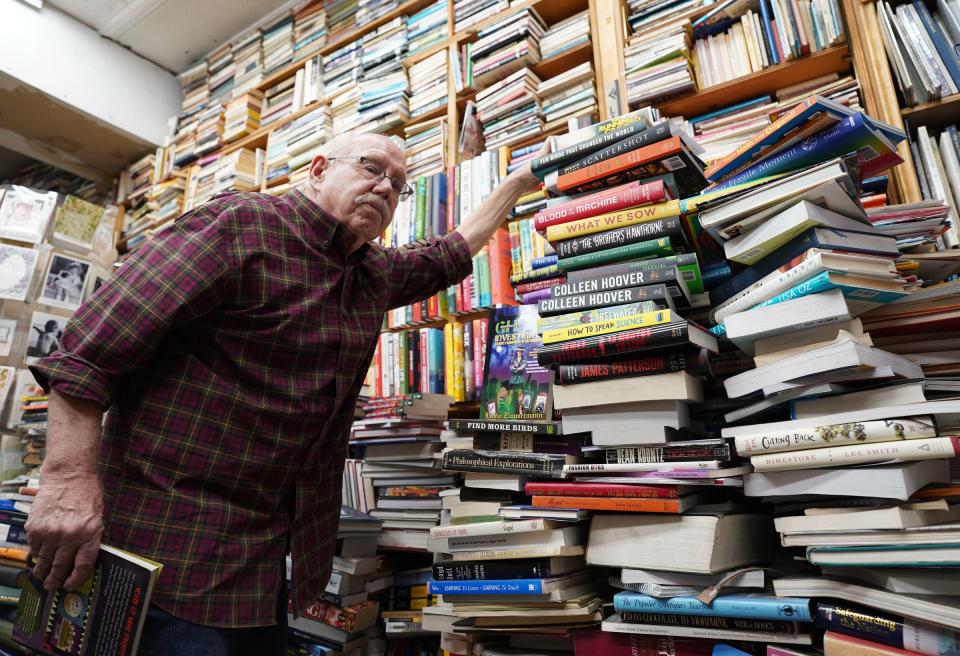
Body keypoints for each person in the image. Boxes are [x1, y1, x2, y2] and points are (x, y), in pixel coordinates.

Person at [25, 132, 546, 655]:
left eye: (399, 185)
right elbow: (88, 352)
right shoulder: (238, 226)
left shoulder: (371, 274)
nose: (385, 188)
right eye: (370, 168)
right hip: (165, 552)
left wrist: (517, 183)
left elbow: (448, 255)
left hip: (267, 571)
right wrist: (67, 482)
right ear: (318, 169)